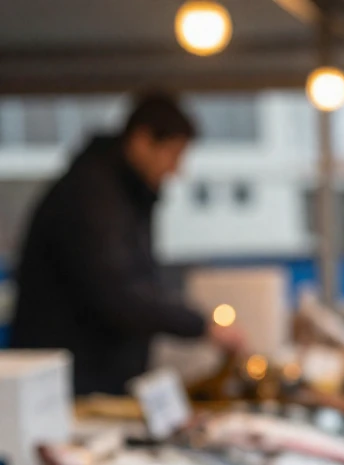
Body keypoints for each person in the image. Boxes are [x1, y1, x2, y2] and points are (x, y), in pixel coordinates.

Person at [10, 92, 243, 396]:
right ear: (143, 140)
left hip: (94, 375)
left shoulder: (123, 193)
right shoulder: (94, 195)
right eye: (173, 154)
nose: (176, 169)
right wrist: (199, 324)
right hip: (74, 382)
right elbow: (117, 290)